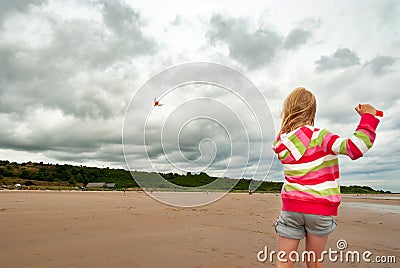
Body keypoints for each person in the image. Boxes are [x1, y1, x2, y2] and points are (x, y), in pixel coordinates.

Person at [272, 87, 380, 268]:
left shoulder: (282, 141)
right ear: (312, 110)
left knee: (283, 262)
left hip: (291, 206)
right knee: (314, 263)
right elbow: (356, 148)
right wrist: (368, 117)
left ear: (288, 109)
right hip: (319, 208)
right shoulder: (320, 136)